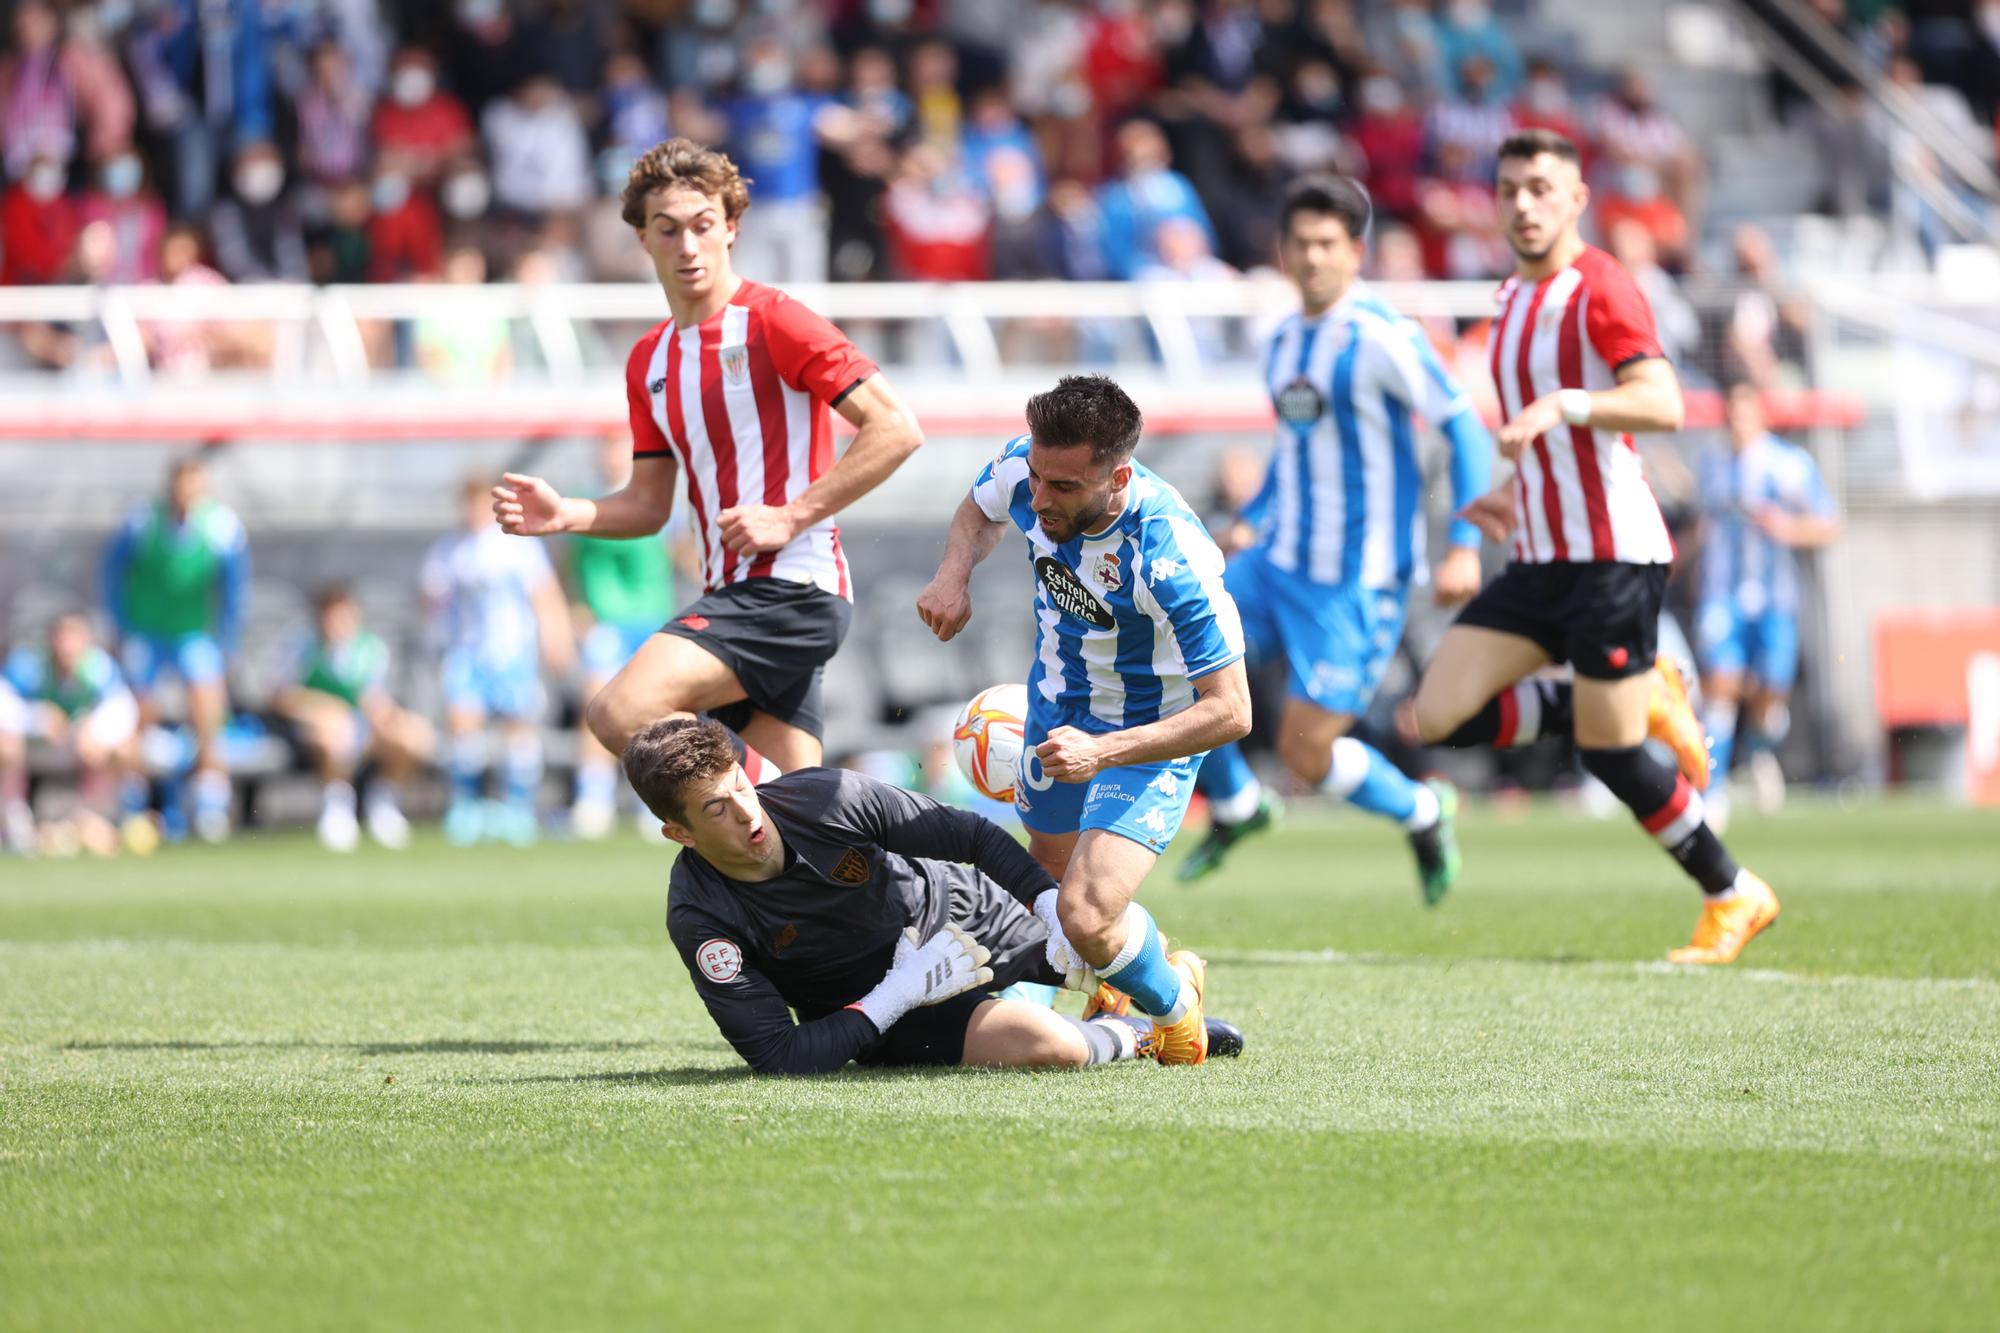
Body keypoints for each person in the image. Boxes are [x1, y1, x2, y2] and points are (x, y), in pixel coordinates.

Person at [1404, 129, 1778, 967]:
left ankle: (1732, 892)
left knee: (1611, 756)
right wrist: (1515, 492)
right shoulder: (1506, 300)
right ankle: (1641, 693)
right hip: (1541, 551)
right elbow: (1552, 442)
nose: (1523, 204)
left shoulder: (1601, 285)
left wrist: (1566, 406)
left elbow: (1664, 401)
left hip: (1614, 554)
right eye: (1508, 189)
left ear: (1576, 200)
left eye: (1541, 188)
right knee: (1438, 712)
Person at [492, 138, 924, 776]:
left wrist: (791, 515)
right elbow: (647, 504)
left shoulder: (776, 320)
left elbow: (895, 427)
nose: (688, 246)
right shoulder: (649, 360)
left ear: (731, 230)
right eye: (667, 230)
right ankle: (907, 866)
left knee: (617, 713)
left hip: (789, 590)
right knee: (802, 825)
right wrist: (568, 514)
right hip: (732, 594)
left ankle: (742, 811)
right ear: (643, 239)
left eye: (702, 226)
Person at [916, 375, 1251, 1064]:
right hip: (1055, 710)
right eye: (1036, 477)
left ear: (1117, 475)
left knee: (1088, 910)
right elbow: (978, 513)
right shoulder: (1028, 466)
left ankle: (1175, 1001)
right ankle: (1049, 998)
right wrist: (954, 574)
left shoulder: (1171, 554)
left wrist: (1103, 753)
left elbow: (1232, 710)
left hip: (1150, 732)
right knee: (1046, 883)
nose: (1038, 499)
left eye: (1063, 487)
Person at [1181, 176, 1494, 901]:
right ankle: (1236, 803)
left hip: (1356, 582)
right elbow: (1295, 450)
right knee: (1170, 646)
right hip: (1275, 561)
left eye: (1329, 244)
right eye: (1301, 244)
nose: (1314, 257)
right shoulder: (1284, 339)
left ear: (1355, 253)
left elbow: (1465, 428)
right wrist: (1253, 513)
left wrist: (1464, 543)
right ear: (1282, 253)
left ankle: (1421, 809)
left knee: (1304, 749)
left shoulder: (1383, 337)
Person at [636, 716, 1244, 1075]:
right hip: (886, 1010)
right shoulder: (701, 915)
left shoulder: (827, 798)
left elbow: (971, 835)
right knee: (1051, 1048)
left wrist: (1046, 911)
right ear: (679, 833)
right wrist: (898, 993)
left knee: (1112, 933)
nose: (748, 813)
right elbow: (777, 1053)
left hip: (969, 917)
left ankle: (1137, 989)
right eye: (717, 808)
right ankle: (1135, 1035)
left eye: (742, 785)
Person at [1693, 383, 1841, 827]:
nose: (1737, 420)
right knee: (1720, 688)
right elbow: (1705, 525)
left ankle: (1758, 752)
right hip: (1722, 597)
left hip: (1775, 598)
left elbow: (1829, 526)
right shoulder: (1712, 466)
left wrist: (1787, 528)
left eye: (1745, 411)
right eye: (1730, 411)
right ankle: (1710, 794)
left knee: (1769, 701)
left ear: (1761, 415)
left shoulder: (1789, 465)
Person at [102, 454, 249, 843]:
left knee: (206, 703)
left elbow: (234, 588)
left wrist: (227, 640)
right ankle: (135, 797)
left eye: (193, 484)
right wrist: (119, 627)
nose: (186, 493)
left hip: (191, 632)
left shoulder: (220, 526)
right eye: (180, 484)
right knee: (137, 711)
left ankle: (209, 796)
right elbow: (113, 573)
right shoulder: (141, 520)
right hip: (146, 631)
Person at [422, 478, 574, 847]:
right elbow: (431, 596)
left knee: (517, 729)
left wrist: (556, 636)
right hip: (467, 653)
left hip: (512, 654)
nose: (472, 511)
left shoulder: (517, 545)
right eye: (467, 503)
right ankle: (467, 807)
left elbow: (545, 595)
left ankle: (517, 809)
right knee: (463, 725)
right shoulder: (449, 549)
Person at [568, 432, 688, 839]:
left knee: (657, 712)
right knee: (597, 703)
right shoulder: (589, 505)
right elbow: (573, 562)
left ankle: (656, 799)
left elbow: (681, 553)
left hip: (652, 620)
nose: (614, 460)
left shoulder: (660, 506)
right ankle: (593, 798)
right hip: (607, 620)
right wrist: (577, 609)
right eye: (609, 452)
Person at [271, 584, 431, 852]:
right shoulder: (302, 647)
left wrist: (383, 713)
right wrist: (322, 706)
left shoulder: (372, 649)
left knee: (415, 735)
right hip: (312, 733)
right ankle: (337, 806)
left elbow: (374, 697)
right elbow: (280, 696)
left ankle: (383, 802)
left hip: (362, 727)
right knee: (333, 727)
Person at [2, 613, 142, 858]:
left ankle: (97, 816)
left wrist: (95, 730)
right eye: (62, 637)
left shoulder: (98, 667)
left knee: (125, 749)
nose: (67, 646)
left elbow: (124, 710)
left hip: (80, 746)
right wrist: (37, 719)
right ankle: (15, 824)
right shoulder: (29, 666)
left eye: (74, 638)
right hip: (36, 746)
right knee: (5, 745)